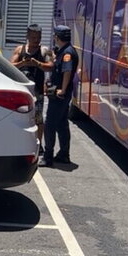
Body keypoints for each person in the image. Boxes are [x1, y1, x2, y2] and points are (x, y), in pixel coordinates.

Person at [10, 24, 53, 154]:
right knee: (19, 118)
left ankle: (38, 145)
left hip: (37, 92)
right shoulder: (20, 49)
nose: (36, 40)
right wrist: (23, 63)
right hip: (21, 91)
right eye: (33, 37)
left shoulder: (45, 51)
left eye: (38, 37)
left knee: (38, 119)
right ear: (28, 36)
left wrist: (37, 63)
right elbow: (10, 66)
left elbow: (51, 66)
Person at [39, 25, 79, 168]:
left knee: (50, 125)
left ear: (57, 37)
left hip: (59, 95)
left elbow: (67, 71)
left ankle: (48, 157)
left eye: (55, 36)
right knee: (62, 125)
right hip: (59, 94)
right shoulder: (64, 51)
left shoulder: (67, 53)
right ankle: (64, 155)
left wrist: (62, 90)